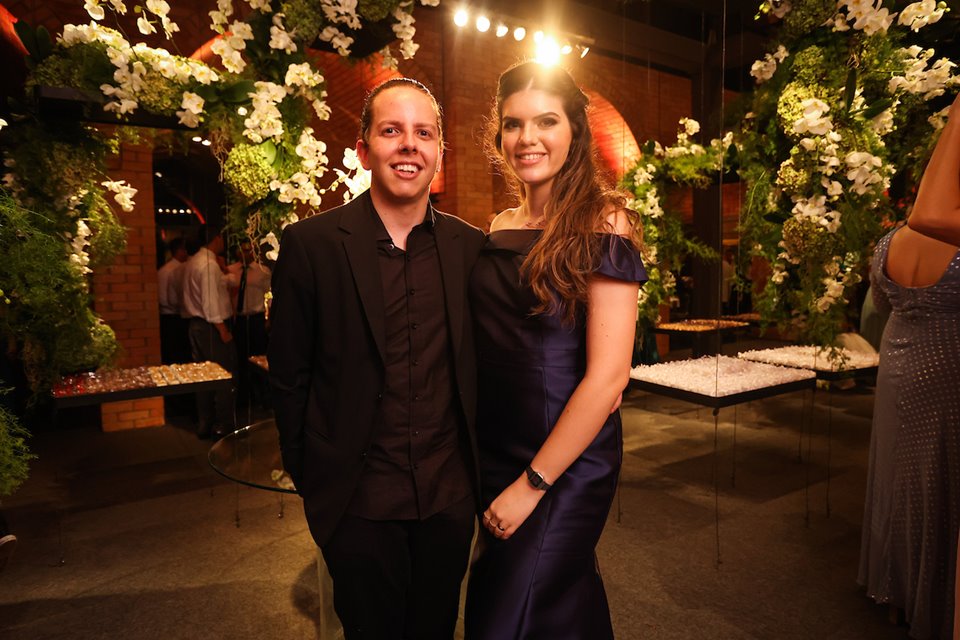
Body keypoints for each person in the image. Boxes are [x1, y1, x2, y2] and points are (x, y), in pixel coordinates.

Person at [268, 78, 485, 640]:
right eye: (392, 131)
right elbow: (290, 376)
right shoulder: (311, 246)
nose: (408, 145)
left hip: (448, 497)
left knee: (437, 630)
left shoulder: (470, 249)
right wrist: (313, 482)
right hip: (358, 503)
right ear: (364, 149)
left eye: (423, 133)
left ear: (440, 153)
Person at [464, 61, 646, 639]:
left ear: (575, 130)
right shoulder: (499, 225)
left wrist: (531, 485)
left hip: (564, 462)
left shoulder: (604, 220)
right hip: (498, 448)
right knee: (555, 608)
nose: (528, 138)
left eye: (546, 121)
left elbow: (608, 379)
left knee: (506, 617)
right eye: (514, 124)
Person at [858, 92, 960, 640]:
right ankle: (928, 597)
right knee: (939, 481)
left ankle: (891, 589)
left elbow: (878, 301)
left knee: (897, 476)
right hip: (949, 366)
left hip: (896, 362)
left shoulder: (891, 239)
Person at [181, 226, 237, 439]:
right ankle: (223, 426)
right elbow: (211, 302)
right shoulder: (208, 264)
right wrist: (222, 329)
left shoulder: (193, 261)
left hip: (196, 326)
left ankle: (205, 422)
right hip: (212, 327)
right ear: (216, 238)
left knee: (203, 377)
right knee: (224, 376)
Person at [225, 238, 271, 409]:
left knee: (258, 358)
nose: (245, 253)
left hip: (256, 318)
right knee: (240, 358)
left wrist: (269, 318)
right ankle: (243, 397)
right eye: (242, 250)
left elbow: (271, 296)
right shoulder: (231, 271)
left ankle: (261, 397)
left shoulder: (262, 271)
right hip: (239, 319)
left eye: (248, 250)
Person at [158, 237, 191, 364]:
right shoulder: (171, 270)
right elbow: (165, 299)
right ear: (180, 251)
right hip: (172, 316)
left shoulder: (165, 269)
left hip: (169, 316)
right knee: (176, 353)